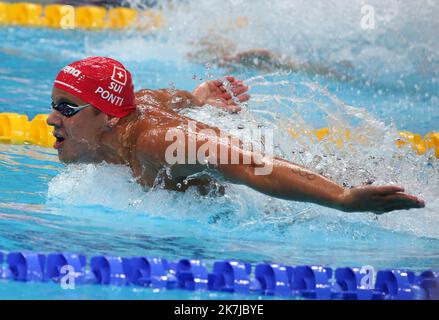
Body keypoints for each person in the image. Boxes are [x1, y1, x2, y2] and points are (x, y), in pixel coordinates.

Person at [47, 56, 425, 214]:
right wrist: (196, 98)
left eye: (66, 108)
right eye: (54, 105)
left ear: (109, 117)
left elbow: (252, 165)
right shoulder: (116, 121)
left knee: (362, 181)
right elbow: (160, 96)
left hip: (281, 189)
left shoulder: (158, 141)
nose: (51, 119)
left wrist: (342, 197)